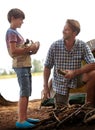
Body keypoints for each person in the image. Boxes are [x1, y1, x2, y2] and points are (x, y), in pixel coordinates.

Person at [43, 19, 95, 109]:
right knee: (61, 110)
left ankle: (88, 106)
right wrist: (46, 87)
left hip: (77, 78)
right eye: (64, 28)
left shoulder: (82, 45)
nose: (63, 31)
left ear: (74, 33)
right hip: (60, 82)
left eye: (66, 30)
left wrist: (74, 72)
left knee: (94, 74)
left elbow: (93, 63)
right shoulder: (54, 46)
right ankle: (63, 106)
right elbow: (47, 67)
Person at [5, 8, 40, 128]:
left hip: (25, 64)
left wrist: (33, 48)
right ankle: (20, 120)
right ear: (13, 18)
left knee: (27, 91)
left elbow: (22, 51)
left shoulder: (16, 33)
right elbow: (14, 51)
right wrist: (29, 48)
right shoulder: (11, 32)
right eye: (21, 19)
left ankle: (24, 117)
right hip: (20, 66)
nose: (22, 22)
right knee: (24, 92)